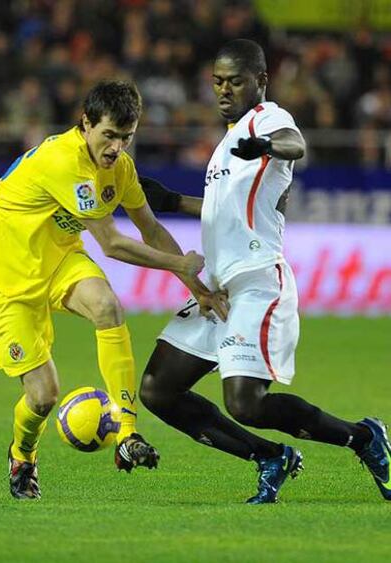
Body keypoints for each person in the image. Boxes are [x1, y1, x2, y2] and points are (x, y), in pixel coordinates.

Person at [139, 39, 391, 504]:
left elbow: (296, 144)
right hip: (216, 287)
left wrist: (266, 144)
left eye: (235, 81)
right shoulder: (224, 145)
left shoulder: (268, 119)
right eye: (217, 81)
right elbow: (229, 208)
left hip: (256, 281)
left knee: (245, 403)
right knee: (158, 390)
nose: (224, 90)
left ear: (260, 81)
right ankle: (269, 456)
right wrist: (172, 201)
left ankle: (363, 438)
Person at [0, 80, 229, 500]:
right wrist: (178, 263)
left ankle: (127, 433)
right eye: (108, 135)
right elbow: (112, 243)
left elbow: (150, 229)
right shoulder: (64, 162)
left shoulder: (120, 168)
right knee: (43, 397)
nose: (115, 147)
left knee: (107, 306)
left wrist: (198, 288)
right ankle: (23, 454)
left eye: (126, 138)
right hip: (1, 281)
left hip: (58, 259)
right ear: (86, 123)